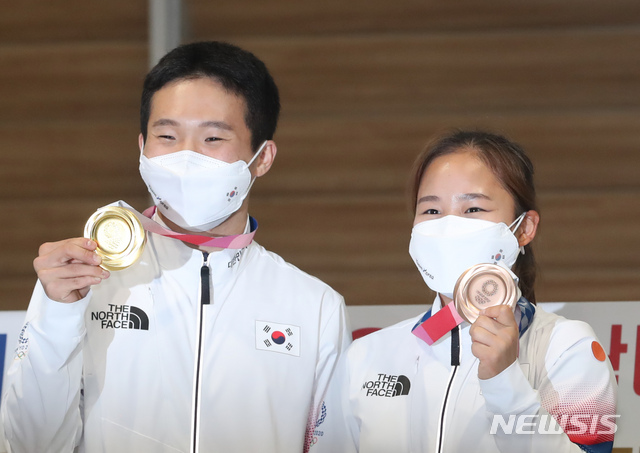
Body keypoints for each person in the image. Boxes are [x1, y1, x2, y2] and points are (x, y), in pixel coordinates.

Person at [1, 41, 351, 453]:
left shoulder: (315, 307)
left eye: (213, 138)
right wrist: (57, 316)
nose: (186, 158)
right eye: (166, 135)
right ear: (141, 148)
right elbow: (26, 444)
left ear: (262, 158)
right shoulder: (80, 281)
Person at [313, 131, 617, 453]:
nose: (448, 227)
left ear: (524, 228)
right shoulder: (366, 356)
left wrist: (505, 382)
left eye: (473, 209)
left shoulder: (567, 347)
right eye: (431, 211)